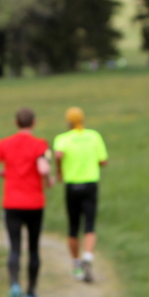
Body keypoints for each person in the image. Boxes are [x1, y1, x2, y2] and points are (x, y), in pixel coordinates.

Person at [0, 108, 53, 297]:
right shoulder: (39, 144)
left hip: (12, 203)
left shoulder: (4, 144)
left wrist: (4, 173)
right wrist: (48, 178)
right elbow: (43, 169)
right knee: (33, 248)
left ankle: (14, 284)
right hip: (34, 203)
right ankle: (30, 293)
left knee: (14, 248)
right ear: (34, 122)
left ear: (16, 123)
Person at [53, 107, 108, 283]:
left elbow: (58, 155)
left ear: (67, 122)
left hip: (72, 185)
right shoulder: (94, 136)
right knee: (90, 224)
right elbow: (103, 161)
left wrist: (59, 170)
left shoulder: (62, 139)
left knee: (73, 226)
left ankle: (76, 264)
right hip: (90, 183)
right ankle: (88, 257)